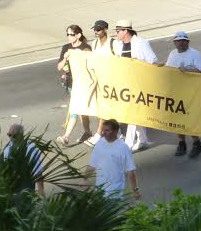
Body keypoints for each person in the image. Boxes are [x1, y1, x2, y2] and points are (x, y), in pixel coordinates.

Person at [114, 20, 158, 152]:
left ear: (125, 31)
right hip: (125, 84)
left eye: (118, 31)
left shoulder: (141, 43)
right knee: (133, 113)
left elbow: (153, 61)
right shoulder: (118, 45)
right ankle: (143, 140)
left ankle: (128, 144)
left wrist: (139, 65)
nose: (116, 34)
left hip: (140, 83)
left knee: (132, 113)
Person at [165, 31, 201, 158]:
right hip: (176, 91)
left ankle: (196, 142)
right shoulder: (172, 54)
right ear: (175, 43)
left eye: (183, 41)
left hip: (190, 92)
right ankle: (181, 143)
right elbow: (168, 69)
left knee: (189, 118)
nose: (181, 43)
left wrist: (187, 70)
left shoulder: (195, 54)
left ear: (188, 42)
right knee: (177, 119)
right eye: (178, 41)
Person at [56, 24, 93, 146]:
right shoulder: (66, 48)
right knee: (80, 108)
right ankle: (87, 132)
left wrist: (76, 52)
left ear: (78, 35)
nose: (68, 37)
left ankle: (66, 136)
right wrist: (65, 58)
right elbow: (59, 67)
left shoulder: (85, 47)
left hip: (83, 82)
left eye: (71, 34)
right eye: (67, 34)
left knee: (75, 108)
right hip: (71, 82)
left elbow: (89, 60)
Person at [88, 119, 140, 200]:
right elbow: (92, 165)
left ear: (115, 131)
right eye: (103, 130)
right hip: (99, 192)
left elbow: (131, 171)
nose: (103, 132)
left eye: (107, 130)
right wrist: (84, 180)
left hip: (115, 193)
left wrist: (135, 190)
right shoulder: (100, 143)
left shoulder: (123, 148)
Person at [85, 19, 117, 148]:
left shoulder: (113, 43)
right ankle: (108, 132)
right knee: (103, 107)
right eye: (94, 30)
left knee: (109, 107)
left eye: (98, 30)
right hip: (100, 80)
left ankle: (100, 133)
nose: (96, 32)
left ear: (105, 30)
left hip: (112, 80)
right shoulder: (94, 44)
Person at [3, 124, 44, 194]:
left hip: (27, 188)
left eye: (14, 135)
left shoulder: (31, 148)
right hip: (12, 188)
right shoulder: (7, 149)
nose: (11, 138)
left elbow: (38, 172)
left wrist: (42, 193)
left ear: (21, 135)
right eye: (9, 135)